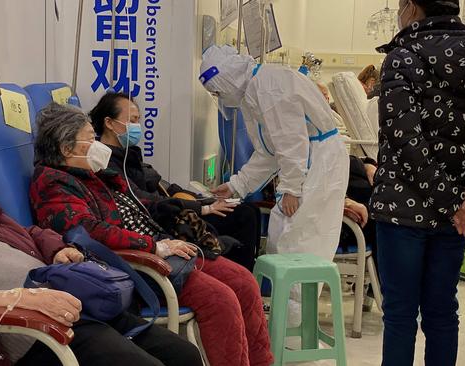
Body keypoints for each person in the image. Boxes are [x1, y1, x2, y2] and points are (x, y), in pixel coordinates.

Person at [0, 162, 202, 366]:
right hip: (29, 331)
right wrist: (19, 299)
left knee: (184, 355)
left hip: (75, 300)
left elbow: (32, 232)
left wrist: (56, 250)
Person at [29, 103, 273, 366]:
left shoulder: (94, 174)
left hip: (161, 247)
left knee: (244, 281)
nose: (97, 144)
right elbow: (88, 232)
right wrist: (156, 247)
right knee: (220, 300)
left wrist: (190, 208)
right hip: (135, 265)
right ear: (66, 149)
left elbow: (140, 203)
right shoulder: (53, 183)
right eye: (90, 138)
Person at [370, 1, 465, 365]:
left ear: (412, 7)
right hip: (457, 218)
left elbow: (406, 142)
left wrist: (453, 200)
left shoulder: (402, 57)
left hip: (403, 211)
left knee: (401, 316)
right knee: (442, 313)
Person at [199, 45, 349, 284]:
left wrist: (292, 188)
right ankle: (285, 312)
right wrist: (237, 185)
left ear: (226, 78)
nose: (219, 97)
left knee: (300, 243)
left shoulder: (270, 88)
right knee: (284, 239)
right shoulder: (255, 90)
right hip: (306, 163)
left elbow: (291, 143)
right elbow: (269, 152)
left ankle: (296, 317)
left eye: (217, 91)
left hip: (318, 164)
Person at [88, 92, 261, 271]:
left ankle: (251, 276)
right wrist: (203, 208)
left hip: (171, 206)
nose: (136, 126)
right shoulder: (104, 163)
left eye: (138, 120)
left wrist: (205, 198)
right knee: (243, 216)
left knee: (251, 209)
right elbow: (141, 198)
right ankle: (241, 278)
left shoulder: (130, 155)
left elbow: (163, 186)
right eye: (132, 120)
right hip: (162, 217)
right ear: (109, 123)